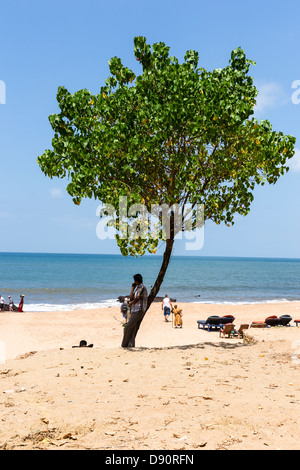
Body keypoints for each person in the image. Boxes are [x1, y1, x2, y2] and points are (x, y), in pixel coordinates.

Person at [121, 274, 148, 348]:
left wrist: (130, 304)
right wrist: (132, 288)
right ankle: (131, 345)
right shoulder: (137, 288)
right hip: (134, 310)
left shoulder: (142, 287)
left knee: (127, 327)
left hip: (139, 310)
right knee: (132, 329)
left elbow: (137, 298)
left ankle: (124, 345)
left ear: (135, 281)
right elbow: (132, 298)